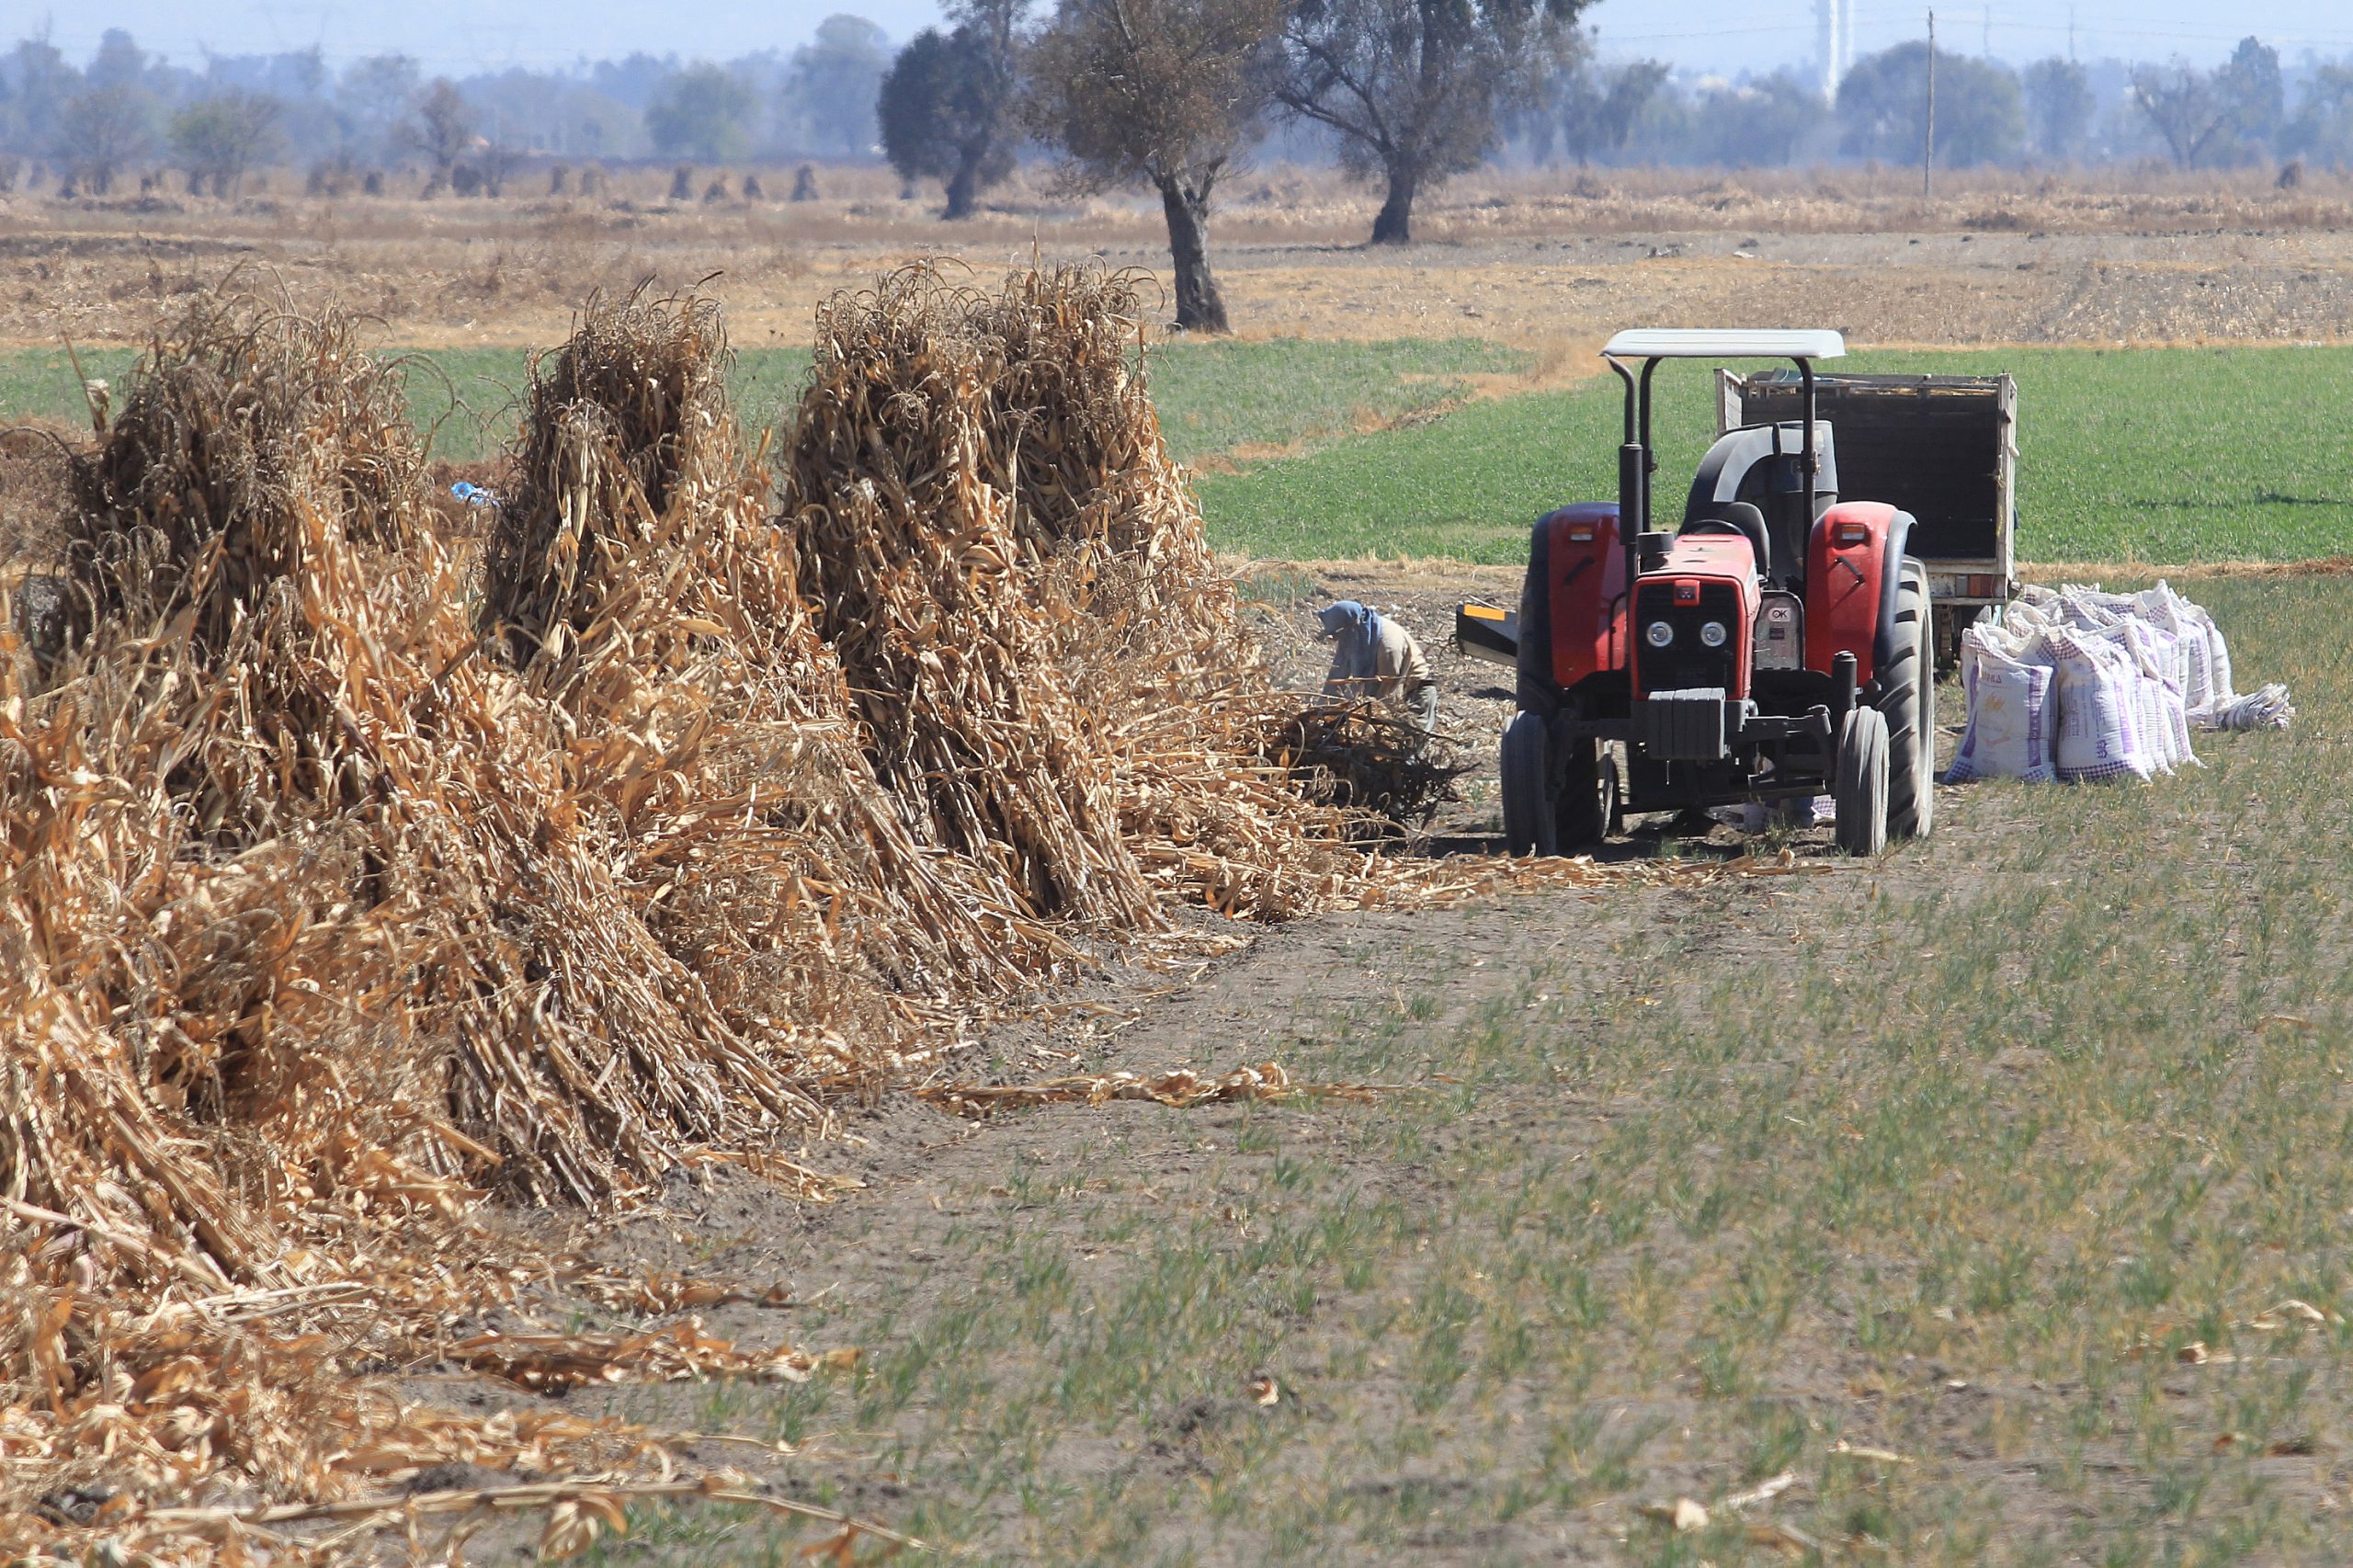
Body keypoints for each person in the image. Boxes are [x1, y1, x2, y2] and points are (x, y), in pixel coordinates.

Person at [1317, 599, 1438, 732]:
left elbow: (1387, 693)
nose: (1336, 640)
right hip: (1390, 687)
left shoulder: (1388, 646)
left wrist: (1367, 720)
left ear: (1351, 625)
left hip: (1416, 693)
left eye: (1337, 634)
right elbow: (1338, 676)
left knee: (1409, 742)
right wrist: (1322, 709)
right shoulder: (1358, 634)